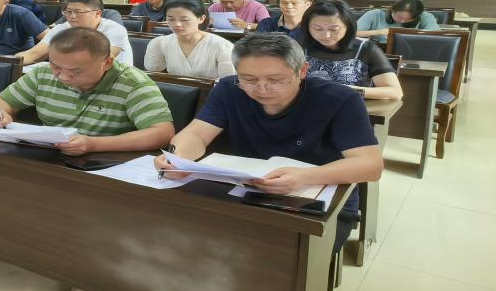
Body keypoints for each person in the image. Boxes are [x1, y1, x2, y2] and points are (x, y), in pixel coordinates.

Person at [155, 33, 384, 253]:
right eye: (249, 79)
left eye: (276, 80)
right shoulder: (228, 89)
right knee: (187, 239)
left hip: (318, 199)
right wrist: (178, 158)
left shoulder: (340, 99)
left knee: (277, 256)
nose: (262, 88)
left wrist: (306, 176)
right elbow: (196, 134)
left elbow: (370, 165)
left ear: (302, 70)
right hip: (243, 188)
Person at [0, 27, 173, 155]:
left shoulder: (133, 83)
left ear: (107, 63)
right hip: (51, 156)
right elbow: (0, 102)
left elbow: (162, 133)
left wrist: (94, 145)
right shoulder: (42, 73)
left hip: (108, 161)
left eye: (76, 71)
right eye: (56, 66)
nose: (63, 76)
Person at [302, 0, 403, 100]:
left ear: (348, 26)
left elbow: (395, 92)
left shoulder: (366, 50)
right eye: (318, 29)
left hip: (350, 106)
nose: (326, 35)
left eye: (334, 29)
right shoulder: (301, 48)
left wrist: (346, 90)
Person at [17, 0, 131, 66]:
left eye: (78, 12)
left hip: (113, 78)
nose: (71, 16)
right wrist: (11, 62)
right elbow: (34, 54)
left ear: (97, 13)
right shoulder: (62, 28)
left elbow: (101, 62)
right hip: (71, 74)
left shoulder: (115, 30)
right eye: (68, 12)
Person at [144, 0, 235, 79]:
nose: (177, 24)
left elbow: (228, 82)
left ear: (201, 19)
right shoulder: (159, 43)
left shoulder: (222, 46)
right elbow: (153, 75)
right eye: (171, 19)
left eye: (184, 19)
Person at [356, 0, 439, 43]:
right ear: (392, 10)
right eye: (399, 17)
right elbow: (353, 33)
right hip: (379, 51)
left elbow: (437, 36)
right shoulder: (375, 14)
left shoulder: (425, 16)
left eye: (408, 19)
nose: (402, 21)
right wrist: (379, 32)